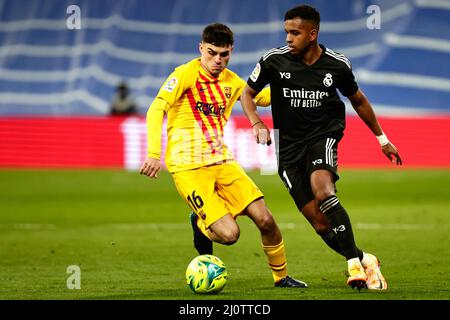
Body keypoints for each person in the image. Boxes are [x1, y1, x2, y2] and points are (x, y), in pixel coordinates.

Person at [240, 5, 402, 290]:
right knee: (320, 224)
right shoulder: (273, 61)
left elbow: (359, 100)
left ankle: (353, 265)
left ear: (312, 34)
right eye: (286, 32)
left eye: (295, 33)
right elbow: (247, 93)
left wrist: (382, 139)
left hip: (322, 137)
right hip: (288, 149)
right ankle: (366, 259)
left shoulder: (337, 65)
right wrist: (256, 122)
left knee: (323, 190)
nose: (288, 38)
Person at [140, 23, 307, 288]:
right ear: (201, 49)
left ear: (231, 52)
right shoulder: (184, 74)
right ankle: (201, 224)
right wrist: (152, 153)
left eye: (224, 54)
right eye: (211, 53)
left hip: (222, 162)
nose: (218, 60)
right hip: (188, 168)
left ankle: (281, 278)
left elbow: (261, 98)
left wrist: (296, 82)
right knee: (230, 235)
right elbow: (155, 109)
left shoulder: (231, 81)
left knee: (266, 219)